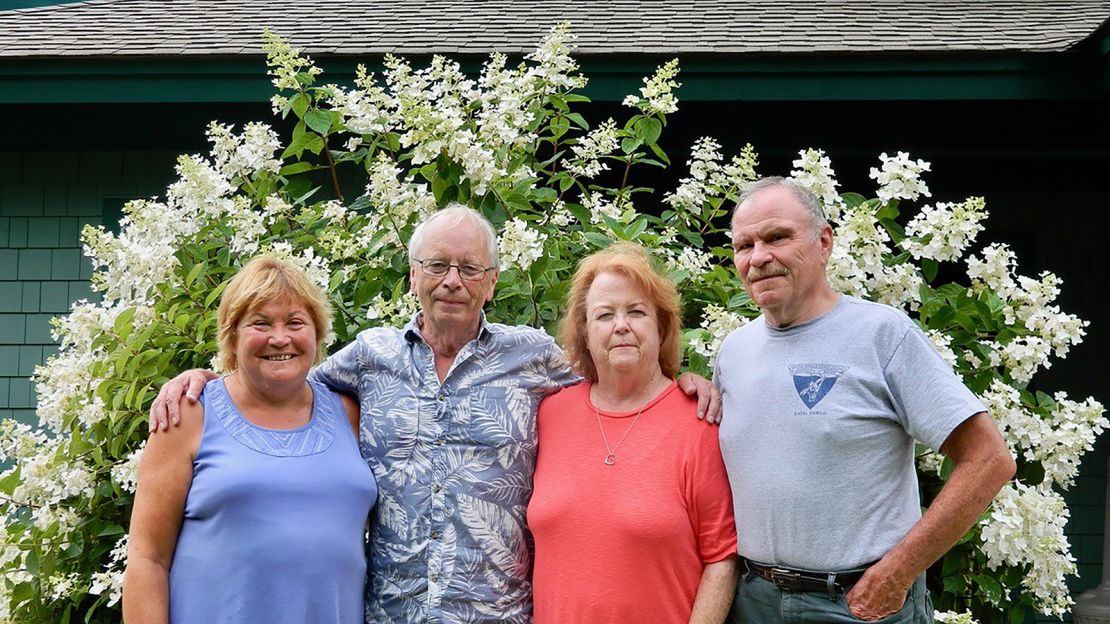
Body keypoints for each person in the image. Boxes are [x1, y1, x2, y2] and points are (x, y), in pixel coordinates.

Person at [148, 204, 721, 623]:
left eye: (470, 268)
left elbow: (621, 372)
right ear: (413, 274)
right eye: (438, 265)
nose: (452, 280)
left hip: (497, 615)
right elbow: (279, 377)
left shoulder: (534, 360)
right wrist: (205, 378)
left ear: (492, 283)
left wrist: (683, 379)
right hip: (390, 614)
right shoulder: (368, 359)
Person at [716, 177, 1016, 623]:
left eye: (777, 237)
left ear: (823, 241)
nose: (759, 257)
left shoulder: (882, 336)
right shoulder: (732, 353)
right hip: (754, 602)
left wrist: (899, 572)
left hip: (858, 605)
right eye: (745, 245)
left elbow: (989, 460)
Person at [122, 256, 375, 623]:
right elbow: (148, 560)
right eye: (260, 323)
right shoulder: (188, 414)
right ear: (232, 336)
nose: (279, 338)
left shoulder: (352, 413)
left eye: (295, 323)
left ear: (317, 334)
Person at [528, 242, 738, 623]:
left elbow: (721, 560)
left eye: (636, 312)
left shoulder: (698, 422)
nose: (621, 325)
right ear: (585, 334)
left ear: (661, 327)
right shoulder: (550, 413)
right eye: (604, 315)